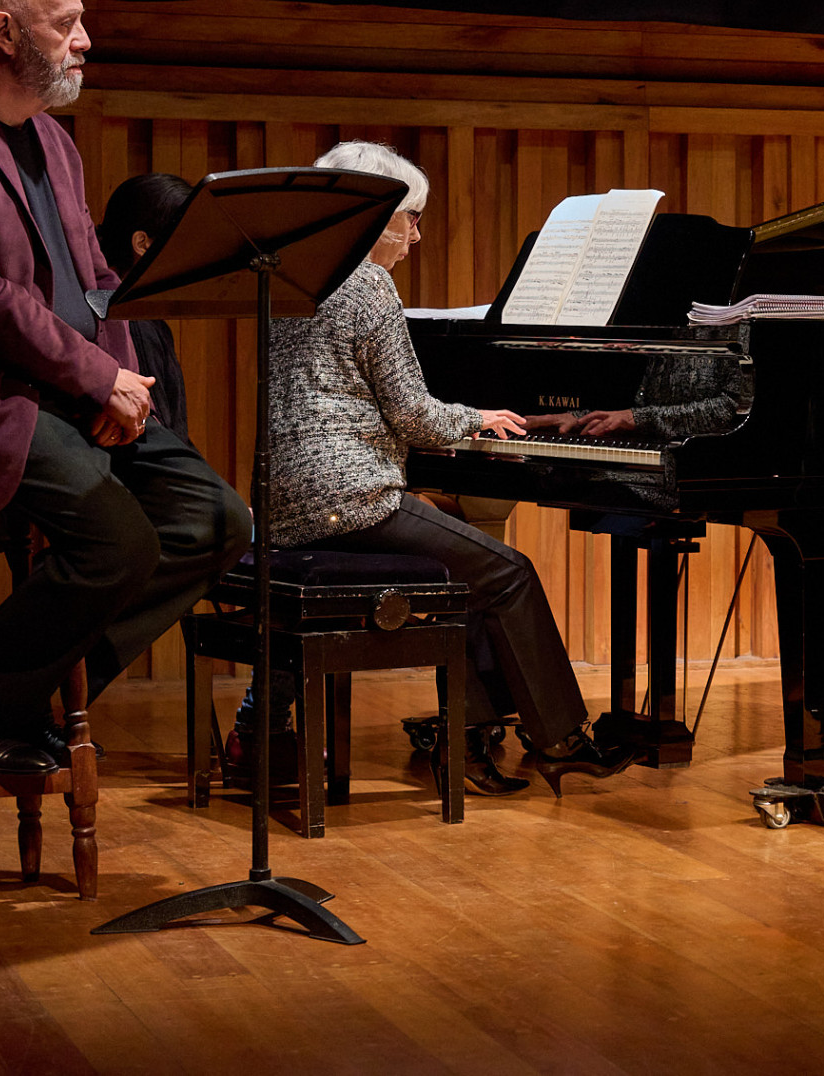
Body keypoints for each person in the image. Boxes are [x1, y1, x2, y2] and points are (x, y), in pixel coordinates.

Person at [0, 0, 250, 774]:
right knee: (119, 542)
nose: (84, 40)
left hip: (78, 385)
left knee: (217, 521)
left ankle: (25, 697)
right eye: (66, 24)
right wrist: (94, 378)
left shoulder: (54, 139)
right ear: (4, 32)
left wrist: (122, 384)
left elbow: (98, 278)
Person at [255, 140, 629, 794]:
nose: (417, 236)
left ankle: (469, 742)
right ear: (375, 215)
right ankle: (560, 740)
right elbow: (414, 414)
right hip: (352, 502)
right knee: (508, 572)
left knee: (471, 564)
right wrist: (476, 418)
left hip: (284, 500)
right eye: (411, 217)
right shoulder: (368, 283)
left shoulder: (291, 276)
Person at [96, 172, 195, 443]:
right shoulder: (133, 323)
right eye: (184, 239)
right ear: (142, 244)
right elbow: (158, 435)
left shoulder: (141, 316)